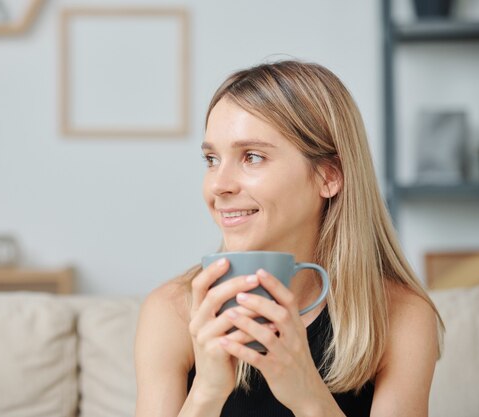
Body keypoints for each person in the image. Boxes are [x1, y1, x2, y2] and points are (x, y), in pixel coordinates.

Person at [134, 60, 444, 417]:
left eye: (251, 157)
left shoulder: (400, 316)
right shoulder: (171, 311)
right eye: (212, 159)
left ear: (329, 175)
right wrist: (206, 391)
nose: (219, 185)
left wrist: (308, 395)